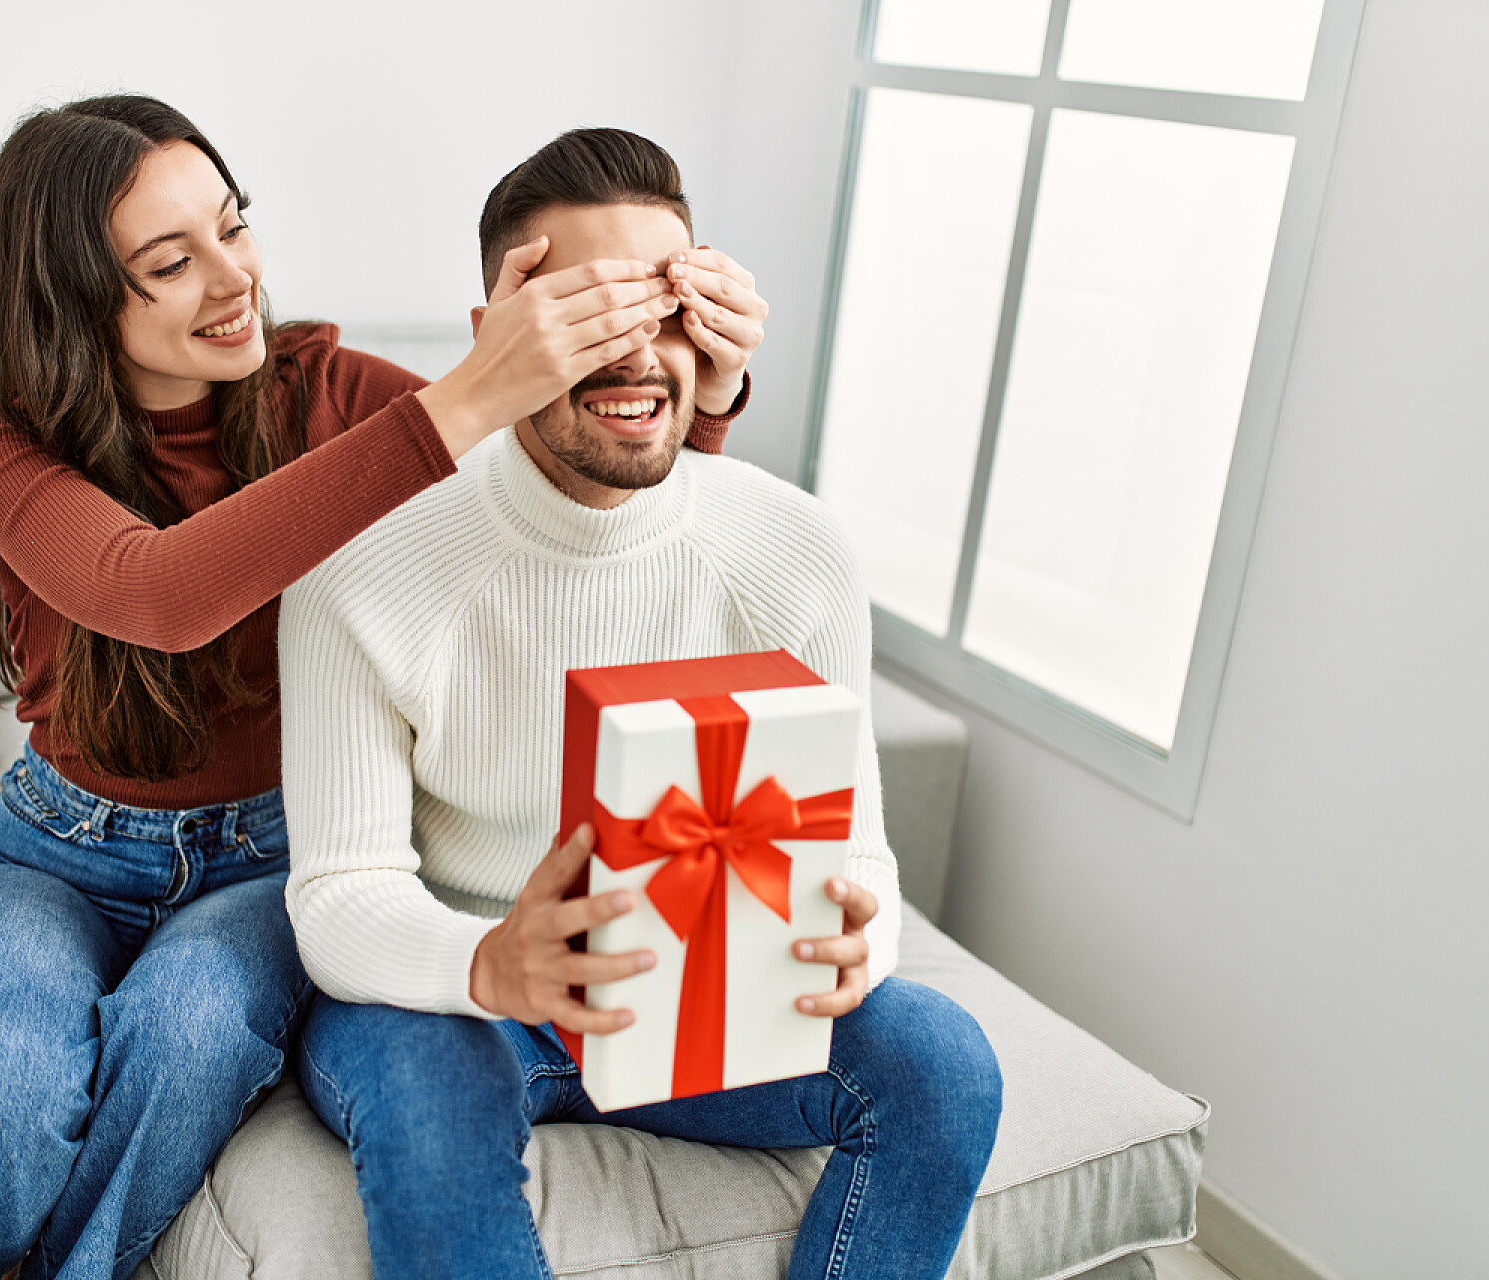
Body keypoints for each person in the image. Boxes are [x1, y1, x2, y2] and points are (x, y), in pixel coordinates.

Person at [0, 97, 768, 1280]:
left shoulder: (324, 389)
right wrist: (467, 394)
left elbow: (581, 514)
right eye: (171, 261)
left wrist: (700, 394)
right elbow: (156, 593)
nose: (232, 277)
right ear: (79, 299)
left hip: (271, 855)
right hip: (56, 848)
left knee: (190, 1032)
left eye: (233, 227)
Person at [278, 127, 1002, 1280]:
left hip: (702, 986)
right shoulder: (366, 564)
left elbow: (859, 854)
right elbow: (338, 894)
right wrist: (492, 962)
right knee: (430, 1111)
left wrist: (855, 937)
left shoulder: (796, 552)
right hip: (458, 987)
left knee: (946, 1062)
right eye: (588, 316)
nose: (638, 357)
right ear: (498, 340)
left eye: (666, 308)